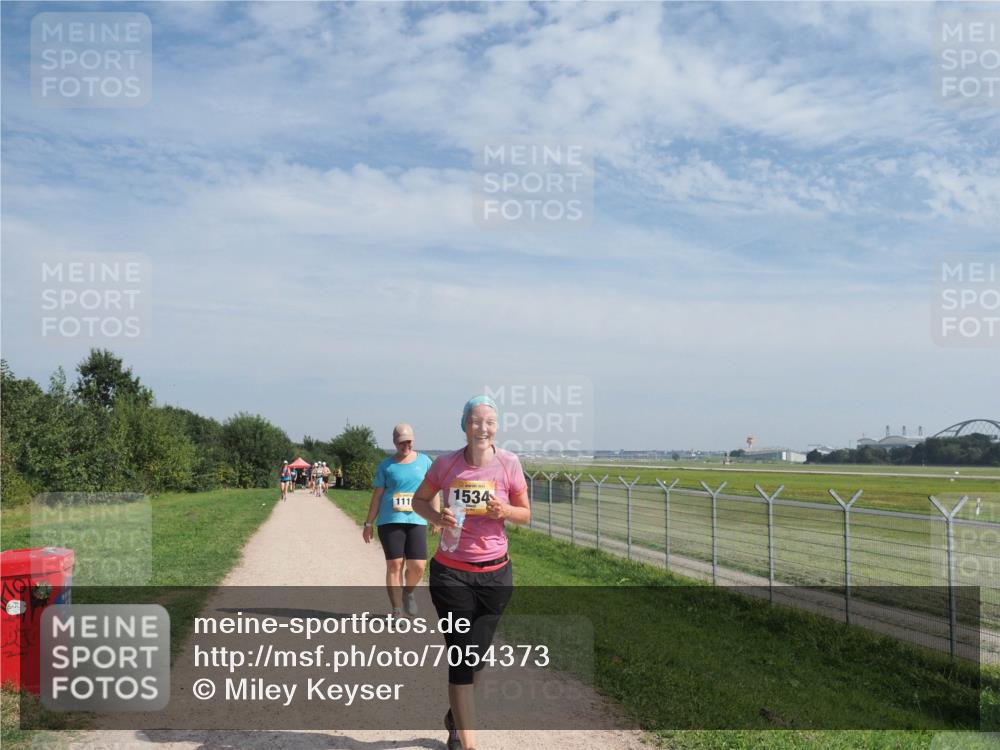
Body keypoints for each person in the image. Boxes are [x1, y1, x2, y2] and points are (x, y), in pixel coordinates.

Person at [411, 396, 531, 750]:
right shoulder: (446, 464)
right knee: (461, 656)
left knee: (477, 657)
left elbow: (526, 513)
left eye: (489, 421)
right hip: (451, 575)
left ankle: (455, 716)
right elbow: (420, 500)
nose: (483, 427)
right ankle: (469, 743)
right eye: (476, 421)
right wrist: (436, 517)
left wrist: (503, 510)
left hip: (495, 576)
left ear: (497, 426)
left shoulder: (509, 463)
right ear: (463, 424)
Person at [363, 424, 437, 617]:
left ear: (413, 440)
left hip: (417, 519)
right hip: (390, 520)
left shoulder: (425, 462)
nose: (406, 445)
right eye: (401, 442)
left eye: (409, 441)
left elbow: (434, 491)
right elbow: (377, 496)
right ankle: (396, 611)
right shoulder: (386, 466)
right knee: (394, 565)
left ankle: (409, 593)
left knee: (418, 566)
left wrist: (436, 518)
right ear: (395, 442)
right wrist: (369, 523)